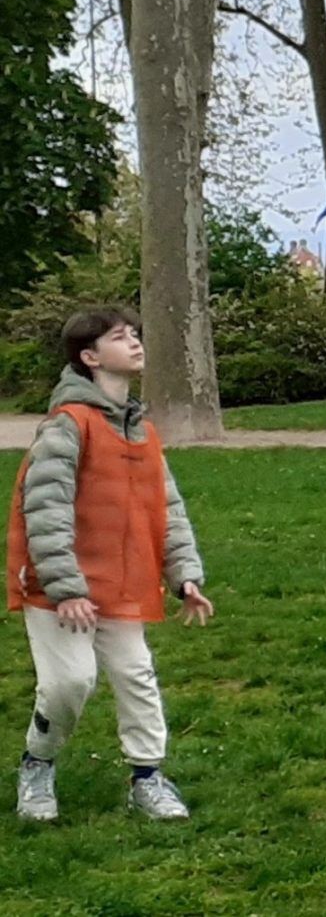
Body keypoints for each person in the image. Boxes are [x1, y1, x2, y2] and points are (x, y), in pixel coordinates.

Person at [11, 308, 214, 823]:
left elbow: (166, 507)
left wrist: (184, 575)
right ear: (90, 357)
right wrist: (67, 589)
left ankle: (148, 777)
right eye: (120, 338)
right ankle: (38, 762)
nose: (135, 343)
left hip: (123, 584)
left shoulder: (142, 430)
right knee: (69, 683)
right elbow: (45, 511)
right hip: (59, 588)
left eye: (136, 335)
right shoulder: (66, 426)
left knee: (136, 674)